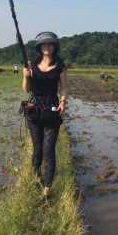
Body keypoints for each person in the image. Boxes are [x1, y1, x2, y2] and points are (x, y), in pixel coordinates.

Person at [22, 31, 68, 198]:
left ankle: (47, 187)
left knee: (49, 150)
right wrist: (26, 77)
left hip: (52, 110)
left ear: (54, 46)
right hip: (34, 110)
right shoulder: (31, 65)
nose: (47, 46)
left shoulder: (60, 65)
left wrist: (63, 101)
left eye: (50, 44)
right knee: (38, 148)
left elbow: (63, 87)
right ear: (40, 47)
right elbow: (26, 90)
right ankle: (37, 175)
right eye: (44, 44)